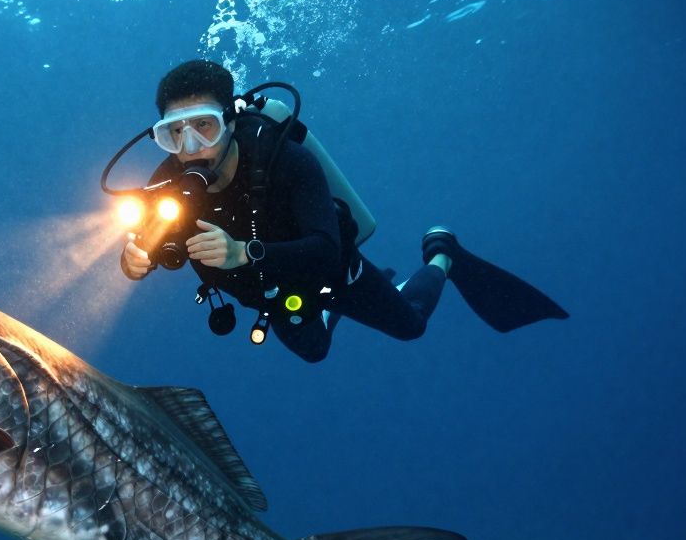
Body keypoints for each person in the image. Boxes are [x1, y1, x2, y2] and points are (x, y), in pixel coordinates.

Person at [114, 60, 566, 362]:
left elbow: (326, 250)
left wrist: (241, 254)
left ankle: (442, 254)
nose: (190, 149)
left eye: (205, 127)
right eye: (174, 133)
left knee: (411, 326)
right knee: (314, 352)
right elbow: (153, 244)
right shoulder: (165, 182)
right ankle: (337, 308)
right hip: (271, 297)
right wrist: (134, 262)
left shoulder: (286, 162)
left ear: (229, 122)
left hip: (333, 274)